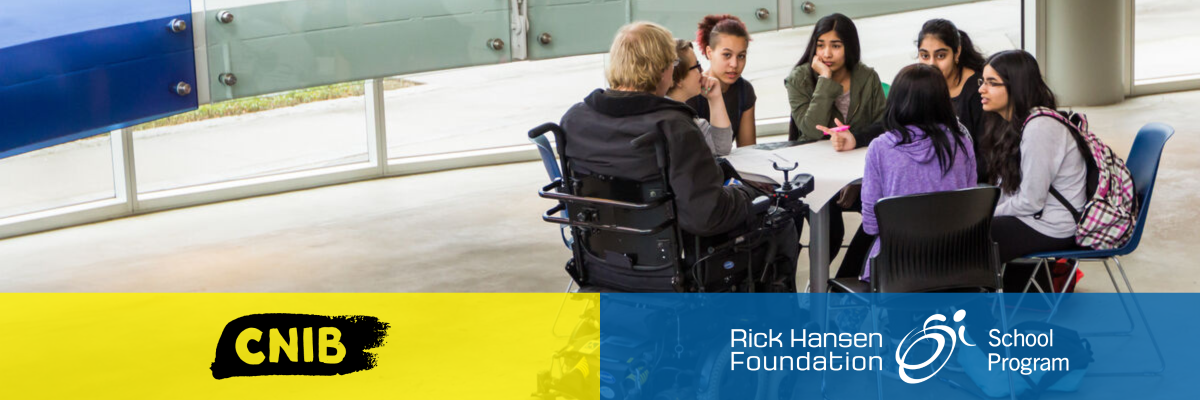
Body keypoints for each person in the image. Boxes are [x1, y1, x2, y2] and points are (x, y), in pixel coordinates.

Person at [558, 22, 800, 290]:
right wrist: (748, 193)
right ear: (664, 70)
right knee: (781, 219)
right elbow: (707, 215)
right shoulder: (674, 126)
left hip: (601, 263)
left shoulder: (573, 120)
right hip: (674, 270)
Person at [836, 64, 977, 281]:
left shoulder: (880, 148)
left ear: (895, 101)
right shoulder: (961, 144)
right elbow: (970, 207)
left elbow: (871, 225)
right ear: (943, 101)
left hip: (897, 269)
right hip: (957, 264)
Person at [977, 50, 1085, 270]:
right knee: (961, 231)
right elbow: (1008, 191)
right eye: (983, 81)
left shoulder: (1040, 128)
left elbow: (1030, 201)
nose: (981, 89)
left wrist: (984, 215)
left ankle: (973, 302)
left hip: (1054, 225)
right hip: (1035, 217)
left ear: (1016, 87)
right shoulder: (1010, 123)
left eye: (992, 83)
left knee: (968, 240)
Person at [785, 13, 886, 150]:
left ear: (849, 47)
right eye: (821, 46)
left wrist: (856, 140)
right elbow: (811, 132)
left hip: (858, 158)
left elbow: (884, 126)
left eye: (836, 46)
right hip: (812, 158)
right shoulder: (799, 79)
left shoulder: (868, 77)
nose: (827, 54)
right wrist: (825, 79)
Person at [916, 18, 988, 179]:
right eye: (924, 56)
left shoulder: (978, 91)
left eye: (941, 56)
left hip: (971, 183)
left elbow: (986, 157)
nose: (931, 64)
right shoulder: (920, 86)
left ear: (957, 53)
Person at [686, 14, 757, 150]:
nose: (734, 64)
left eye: (741, 56)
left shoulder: (744, 90)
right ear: (709, 52)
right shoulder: (692, 90)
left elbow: (748, 151)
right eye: (727, 55)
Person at [667, 39, 733, 156]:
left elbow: (721, 148)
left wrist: (715, 98)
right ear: (678, 80)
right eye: (696, 66)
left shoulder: (668, 109)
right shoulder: (682, 120)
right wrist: (716, 99)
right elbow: (720, 148)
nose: (702, 71)